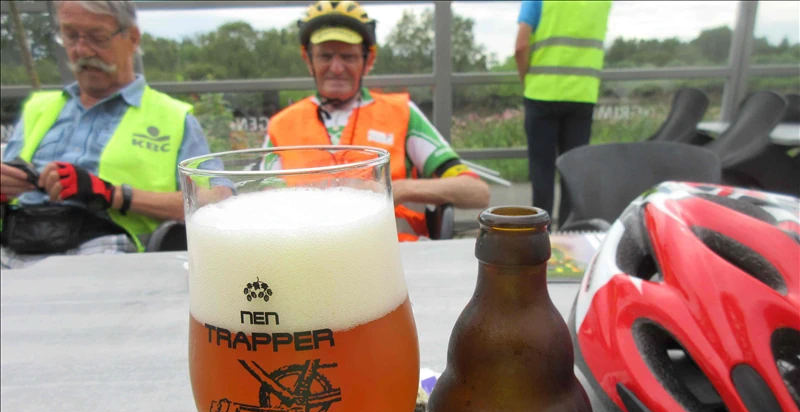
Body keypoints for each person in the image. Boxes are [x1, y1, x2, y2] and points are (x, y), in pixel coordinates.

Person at [0, 0, 211, 268]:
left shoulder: (173, 118)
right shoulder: (38, 109)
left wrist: (113, 194)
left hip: (109, 248)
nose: (82, 50)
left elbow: (214, 200)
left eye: (97, 37)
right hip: (16, 241)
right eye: (70, 36)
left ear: (132, 38)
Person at [265, 0, 490, 241]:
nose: (337, 68)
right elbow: (262, 204)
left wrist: (395, 189)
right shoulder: (281, 125)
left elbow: (476, 192)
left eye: (348, 57)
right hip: (307, 252)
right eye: (325, 56)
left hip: (397, 254)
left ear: (368, 60)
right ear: (308, 59)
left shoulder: (402, 112)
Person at [515, 1, 611, 227]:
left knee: (542, 174)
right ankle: (569, 234)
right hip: (582, 95)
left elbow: (521, 46)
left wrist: (526, 80)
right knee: (573, 175)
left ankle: (540, 235)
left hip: (541, 94)